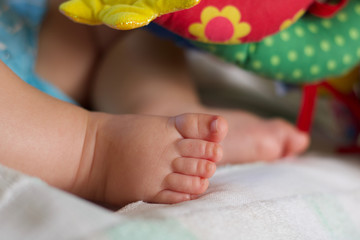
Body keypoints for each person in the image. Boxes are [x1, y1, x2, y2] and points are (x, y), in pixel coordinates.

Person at [0, 0, 308, 207]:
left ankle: (168, 108)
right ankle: (92, 153)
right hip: (23, 126)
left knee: (129, 23)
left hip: (32, 31)